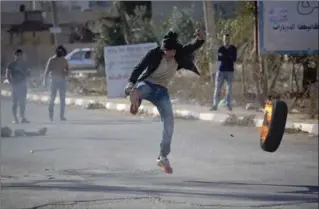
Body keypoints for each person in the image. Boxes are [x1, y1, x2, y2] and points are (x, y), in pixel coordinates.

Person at [124, 29, 205, 174]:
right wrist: (130, 83)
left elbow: (191, 47)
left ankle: (162, 157)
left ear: (175, 50)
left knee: (169, 123)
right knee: (140, 89)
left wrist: (199, 40)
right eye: (166, 51)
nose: (169, 55)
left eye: (172, 52)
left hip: (162, 91)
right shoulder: (154, 53)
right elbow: (139, 67)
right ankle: (136, 99)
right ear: (163, 49)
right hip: (148, 84)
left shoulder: (178, 54)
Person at [211, 34, 237, 111]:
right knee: (217, 88)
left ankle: (228, 104)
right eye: (225, 38)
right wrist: (229, 57)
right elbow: (220, 58)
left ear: (230, 39)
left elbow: (234, 58)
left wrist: (226, 57)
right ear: (223, 39)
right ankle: (215, 105)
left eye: (228, 38)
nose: (227, 40)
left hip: (230, 71)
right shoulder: (221, 48)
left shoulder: (233, 48)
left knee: (229, 89)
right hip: (221, 70)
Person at [43, 45, 69, 121]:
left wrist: (65, 73)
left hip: (61, 82)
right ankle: (51, 116)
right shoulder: (52, 60)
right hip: (54, 82)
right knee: (52, 99)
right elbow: (47, 71)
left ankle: (61, 116)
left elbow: (67, 71)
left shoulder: (64, 60)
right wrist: (44, 81)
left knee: (62, 99)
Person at [5, 49, 31, 124]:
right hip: (15, 85)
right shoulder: (11, 64)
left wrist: (28, 74)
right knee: (15, 102)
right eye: (18, 55)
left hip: (23, 85)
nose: (19, 56)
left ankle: (22, 117)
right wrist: (11, 82)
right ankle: (15, 118)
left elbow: (28, 74)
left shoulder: (25, 64)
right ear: (15, 55)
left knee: (22, 102)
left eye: (21, 55)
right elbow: (7, 75)